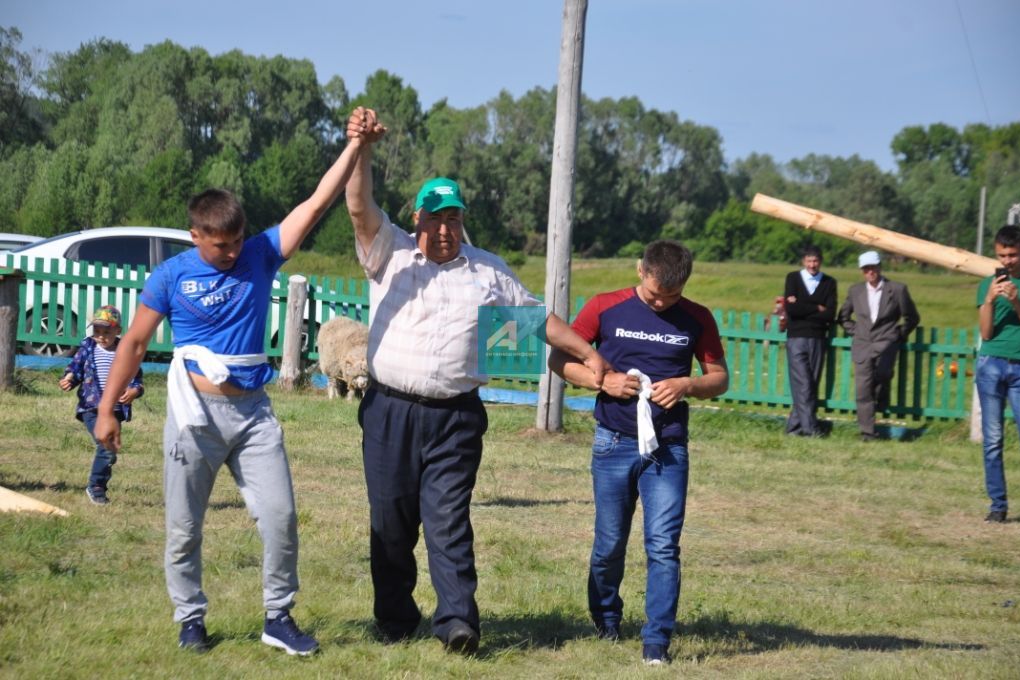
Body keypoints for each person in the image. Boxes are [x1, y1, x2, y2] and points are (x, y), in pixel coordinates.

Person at [92, 109, 381, 655]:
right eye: (219, 244)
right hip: (194, 418)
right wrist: (107, 409)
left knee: (281, 517)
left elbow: (315, 204)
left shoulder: (260, 254)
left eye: (237, 241)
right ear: (194, 234)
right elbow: (131, 344)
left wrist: (354, 146)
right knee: (184, 528)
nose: (230, 253)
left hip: (253, 415)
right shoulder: (171, 275)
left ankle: (278, 616)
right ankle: (190, 618)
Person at [344, 106, 609, 655]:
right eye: (435, 217)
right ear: (417, 218)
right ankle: (395, 619)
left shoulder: (488, 272)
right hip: (389, 411)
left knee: (448, 520)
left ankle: (458, 622)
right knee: (391, 524)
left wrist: (586, 353)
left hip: (455, 418)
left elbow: (536, 325)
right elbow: (357, 204)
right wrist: (362, 148)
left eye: (454, 219)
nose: (444, 229)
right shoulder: (386, 252)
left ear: (462, 222)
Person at [549, 240, 729, 666]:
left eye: (672, 296)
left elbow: (719, 378)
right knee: (610, 543)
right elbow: (561, 360)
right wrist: (601, 382)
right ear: (639, 271)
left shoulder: (698, 318)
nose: (662, 302)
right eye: (654, 294)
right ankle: (606, 619)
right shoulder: (604, 307)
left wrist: (687, 385)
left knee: (664, 545)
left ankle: (656, 642)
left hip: (668, 449)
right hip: (613, 442)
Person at [59, 305, 144, 505]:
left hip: (115, 411)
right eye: (97, 331)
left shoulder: (125, 351)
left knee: (110, 450)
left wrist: (134, 391)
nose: (101, 336)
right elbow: (76, 367)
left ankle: (101, 475)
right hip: (91, 407)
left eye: (107, 331)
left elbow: (136, 379)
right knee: (106, 447)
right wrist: (69, 378)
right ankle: (96, 487)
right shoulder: (88, 347)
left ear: (118, 331)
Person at [838, 251, 920, 441]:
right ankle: (867, 432)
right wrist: (856, 331)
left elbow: (912, 317)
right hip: (862, 345)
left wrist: (898, 334)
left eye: (873, 267)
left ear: (880, 267)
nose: (870, 272)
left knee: (883, 374)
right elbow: (843, 317)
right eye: (866, 269)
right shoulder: (855, 290)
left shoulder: (897, 289)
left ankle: (881, 400)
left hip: (886, 343)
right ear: (862, 271)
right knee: (862, 389)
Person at [974, 225, 1020, 523]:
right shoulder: (987, 284)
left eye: (1013, 255)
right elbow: (986, 332)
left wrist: (1017, 300)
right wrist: (991, 300)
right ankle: (998, 505)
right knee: (992, 439)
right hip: (991, 364)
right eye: (1002, 255)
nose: (1007, 261)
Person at [783, 246, 837, 437]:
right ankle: (810, 428)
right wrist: (817, 308)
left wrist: (802, 306)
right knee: (803, 382)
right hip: (796, 336)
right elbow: (791, 310)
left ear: (820, 261)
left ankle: (793, 427)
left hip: (818, 338)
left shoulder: (829, 282)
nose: (812, 265)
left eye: (815, 261)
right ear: (803, 262)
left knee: (810, 384)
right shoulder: (793, 278)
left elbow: (831, 314)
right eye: (808, 261)